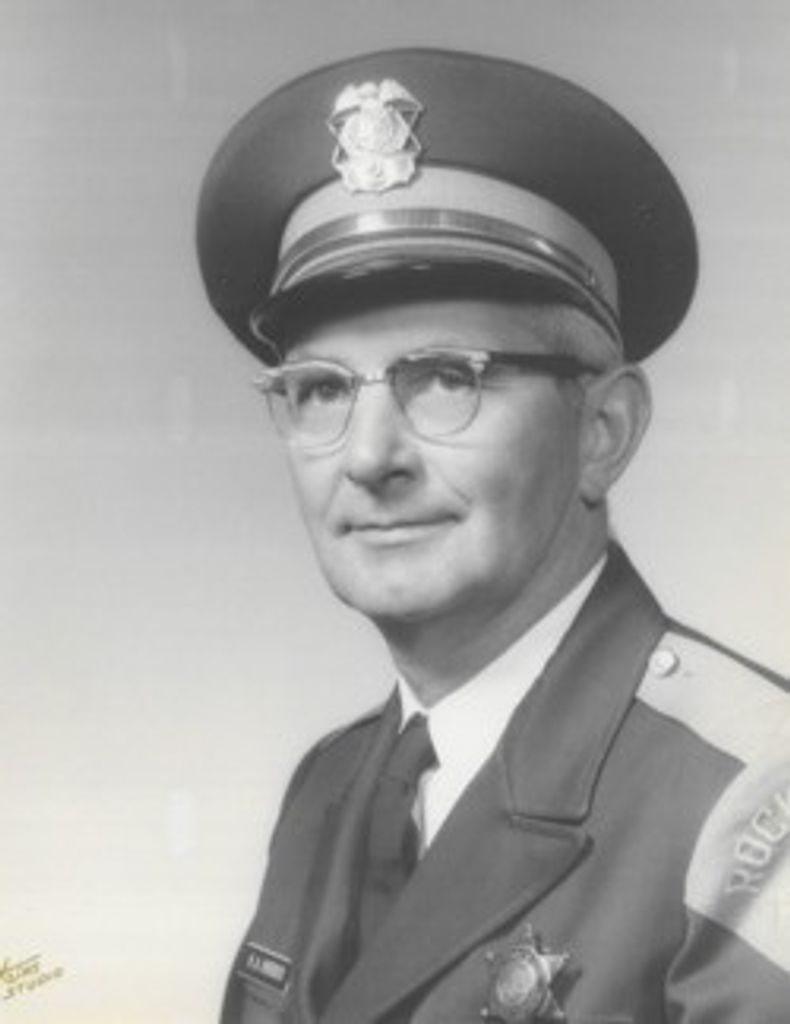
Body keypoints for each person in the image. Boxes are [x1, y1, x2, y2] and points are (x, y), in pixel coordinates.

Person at [196, 49, 790, 1024]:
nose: (369, 457)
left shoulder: (753, 797)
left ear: (602, 432)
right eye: (321, 390)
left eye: (445, 377)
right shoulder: (327, 787)